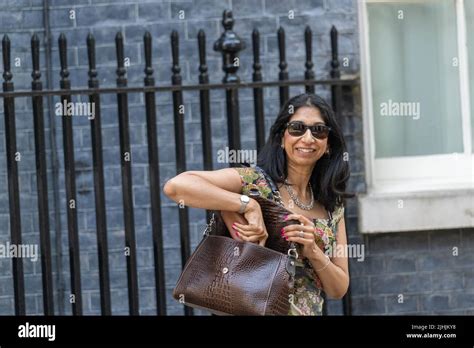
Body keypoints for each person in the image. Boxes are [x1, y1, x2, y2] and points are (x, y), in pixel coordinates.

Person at [163, 93, 352, 315]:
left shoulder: (331, 205)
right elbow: (176, 186)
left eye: (318, 130)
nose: (308, 138)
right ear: (282, 138)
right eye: (297, 128)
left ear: (328, 144)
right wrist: (247, 205)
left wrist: (313, 251)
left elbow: (338, 289)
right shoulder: (254, 182)